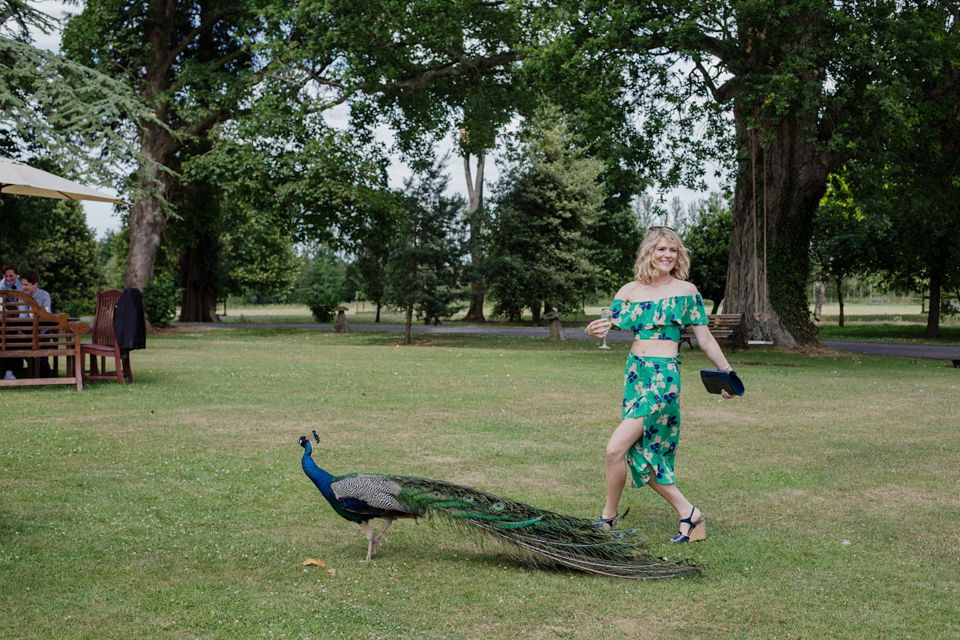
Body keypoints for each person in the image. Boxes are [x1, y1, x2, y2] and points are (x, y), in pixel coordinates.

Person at [585, 226, 738, 543]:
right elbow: (606, 323)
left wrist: (728, 374)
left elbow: (705, 339)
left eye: (673, 250)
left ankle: (609, 519)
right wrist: (593, 330)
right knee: (638, 453)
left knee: (615, 449)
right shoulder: (630, 291)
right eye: (661, 249)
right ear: (649, 253)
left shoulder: (685, 291)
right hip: (635, 374)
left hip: (663, 377)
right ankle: (686, 516)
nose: (668, 255)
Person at [19, 270, 53, 378]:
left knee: (40, 343)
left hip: (42, 330)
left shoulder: (44, 295)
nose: (23, 287)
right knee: (20, 343)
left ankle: (44, 373)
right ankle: (42, 372)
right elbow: (22, 317)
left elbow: (47, 316)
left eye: (26, 285)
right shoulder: (21, 296)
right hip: (26, 331)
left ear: (35, 284)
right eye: (22, 284)